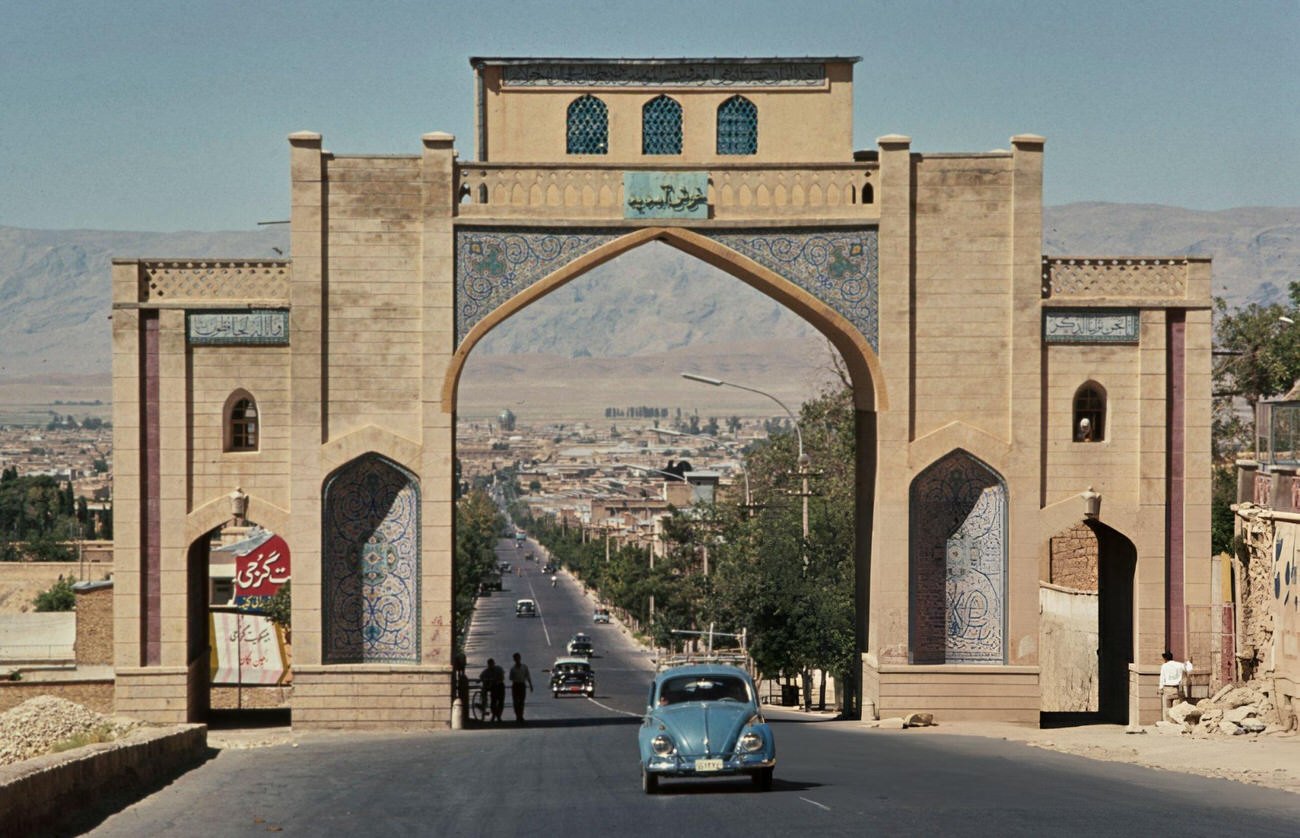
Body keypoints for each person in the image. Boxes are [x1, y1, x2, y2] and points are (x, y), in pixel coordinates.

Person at [1159, 651, 1193, 721]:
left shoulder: (1164, 666)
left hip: (1167, 689)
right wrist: (1189, 662)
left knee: (1168, 707)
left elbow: (1162, 678)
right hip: (1176, 689)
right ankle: (1175, 721)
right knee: (1176, 708)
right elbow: (1189, 669)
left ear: (1165, 659)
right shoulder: (1179, 665)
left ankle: (1168, 721)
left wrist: (1160, 688)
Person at [508, 651, 533, 723]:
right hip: (515, 685)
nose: (517, 660)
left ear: (520, 658)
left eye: (518, 658)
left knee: (521, 701)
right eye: (515, 659)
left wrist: (530, 685)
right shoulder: (513, 669)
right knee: (515, 701)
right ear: (514, 660)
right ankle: (517, 715)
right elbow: (510, 678)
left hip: (522, 685)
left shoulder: (524, 667)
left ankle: (521, 715)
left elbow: (528, 676)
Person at [479, 657, 506, 722]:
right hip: (493, 687)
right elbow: (481, 676)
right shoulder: (487, 671)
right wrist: (482, 680)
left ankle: (498, 715)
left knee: (501, 702)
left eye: (492, 664)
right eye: (489, 664)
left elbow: (502, 677)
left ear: (494, 664)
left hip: (500, 686)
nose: (491, 666)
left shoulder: (498, 669)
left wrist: (498, 680)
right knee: (493, 702)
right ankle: (495, 715)